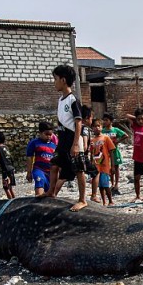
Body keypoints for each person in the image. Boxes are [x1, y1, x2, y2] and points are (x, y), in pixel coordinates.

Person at [47, 65, 87, 210]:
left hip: (73, 139)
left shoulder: (73, 100)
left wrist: (76, 143)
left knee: (78, 170)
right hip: (62, 139)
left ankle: (82, 199)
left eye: (55, 79)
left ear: (63, 80)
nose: (54, 82)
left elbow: (78, 122)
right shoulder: (60, 100)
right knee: (54, 165)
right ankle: (51, 191)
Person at [26, 121, 57, 197]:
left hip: (50, 173)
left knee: (50, 195)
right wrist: (29, 172)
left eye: (50, 134)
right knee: (39, 191)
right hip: (39, 169)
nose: (49, 136)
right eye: (46, 134)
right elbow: (29, 157)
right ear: (40, 132)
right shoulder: (34, 143)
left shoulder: (54, 146)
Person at [90, 119, 116, 206]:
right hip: (96, 166)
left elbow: (111, 151)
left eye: (98, 126)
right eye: (95, 126)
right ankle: (104, 202)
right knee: (100, 186)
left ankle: (110, 201)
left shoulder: (106, 138)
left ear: (101, 127)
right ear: (92, 128)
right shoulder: (92, 140)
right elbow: (91, 153)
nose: (97, 128)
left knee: (105, 185)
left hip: (105, 165)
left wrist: (112, 165)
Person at [101, 113, 127, 195]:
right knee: (109, 169)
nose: (104, 122)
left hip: (115, 152)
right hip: (106, 153)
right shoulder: (102, 131)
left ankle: (116, 184)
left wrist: (117, 142)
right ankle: (111, 184)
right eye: (103, 120)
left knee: (116, 167)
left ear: (111, 121)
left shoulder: (115, 130)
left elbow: (125, 135)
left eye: (106, 120)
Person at [0, 131, 16, 199]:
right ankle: (14, 199)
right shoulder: (6, 148)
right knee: (10, 187)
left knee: (6, 187)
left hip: (5, 170)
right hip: (11, 168)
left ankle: (10, 201)